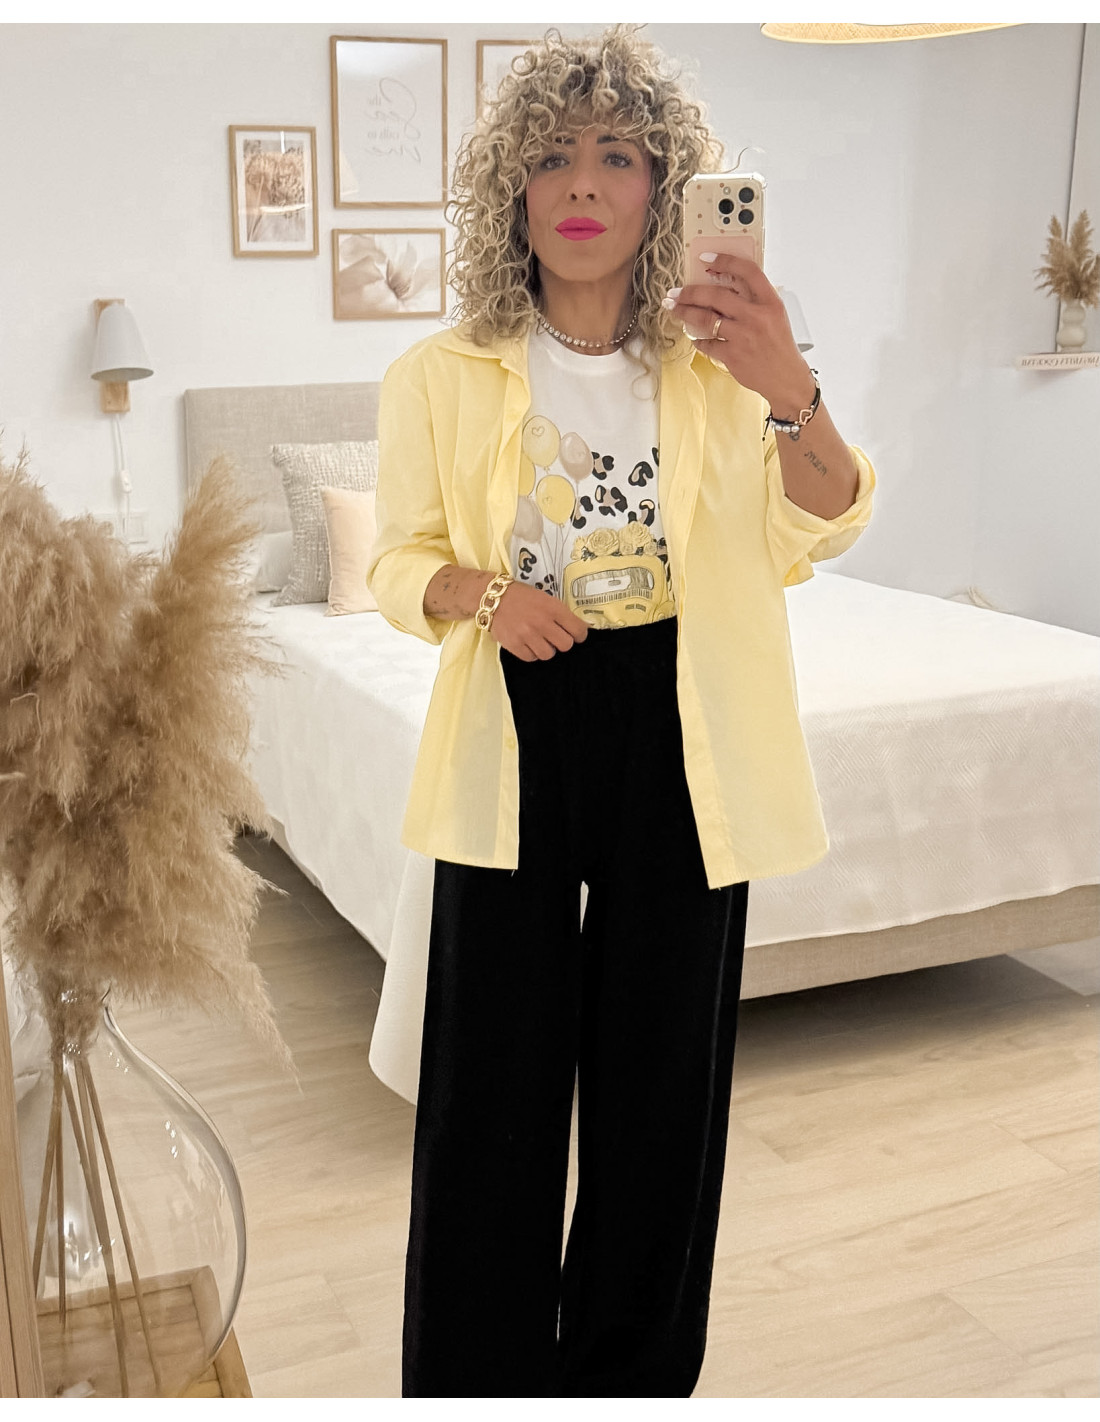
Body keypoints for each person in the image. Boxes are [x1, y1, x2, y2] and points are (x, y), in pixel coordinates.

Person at [366, 25, 875, 1399]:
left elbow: (825, 520)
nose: (583, 182)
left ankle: (630, 1381)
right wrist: (480, 594)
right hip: (516, 720)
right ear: (514, 190)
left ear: (664, 189)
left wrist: (791, 388)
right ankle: (473, 1381)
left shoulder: (721, 370)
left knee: (663, 1092)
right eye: (552, 156)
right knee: (491, 1086)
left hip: (684, 722)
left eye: (618, 156)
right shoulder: (440, 372)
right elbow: (396, 562)